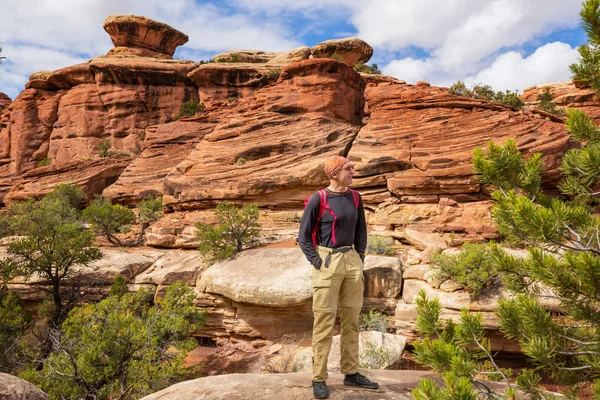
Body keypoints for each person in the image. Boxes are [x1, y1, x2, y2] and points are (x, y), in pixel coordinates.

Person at [298, 155, 379, 399]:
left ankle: (351, 373)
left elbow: (361, 230)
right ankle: (319, 378)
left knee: (351, 321)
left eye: (352, 168)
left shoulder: (355, 197)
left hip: (351, 260)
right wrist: (317, 262)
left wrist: (360, 257)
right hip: (327, 261)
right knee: (323, 322)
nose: (353, 171)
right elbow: (303, 237)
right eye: (348, 168)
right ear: (334, 174)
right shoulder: (318, 199)